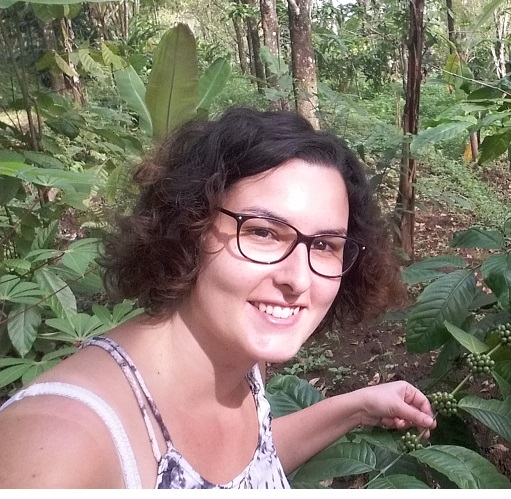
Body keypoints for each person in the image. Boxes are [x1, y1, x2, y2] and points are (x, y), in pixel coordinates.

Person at [0, 108, 436, 488]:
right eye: (263, 232)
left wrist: (358, 406)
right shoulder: (62, 444)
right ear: (188, 226)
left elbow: (247, 466)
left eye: (324, 245)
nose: (298, 280)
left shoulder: (241, 359)